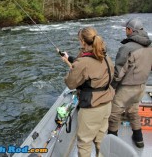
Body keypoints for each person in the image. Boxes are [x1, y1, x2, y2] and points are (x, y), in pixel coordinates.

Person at [62, 27, 115, 157]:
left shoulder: (83, 62)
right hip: (107, 104)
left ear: (83, 42)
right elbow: (92, 68)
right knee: (100, 141)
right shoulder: (105, 56)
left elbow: (70, 83)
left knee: (84, 143)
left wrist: (72, 68)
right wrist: (73, 61)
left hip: (92, 108)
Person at [108, 18, 152, 148]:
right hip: (141, 87)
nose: (125, 31)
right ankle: (139, 139)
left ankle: (112, 142)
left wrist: (111, 87)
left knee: (114, 114)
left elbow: (118, 73)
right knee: (133, 112)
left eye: (126, 29)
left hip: (126, 89)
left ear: (131, 30)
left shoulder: (126, 48)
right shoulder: (150, 46)